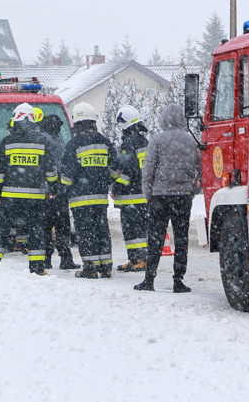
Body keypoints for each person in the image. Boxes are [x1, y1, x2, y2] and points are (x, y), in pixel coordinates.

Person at [0, 103, 58, 275]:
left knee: (1, 230)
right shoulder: (43, 141)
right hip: (35, 197)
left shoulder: (7, 142)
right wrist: (53, 187)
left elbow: (0, 171)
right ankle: (38, 267)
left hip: (10, 196)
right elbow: (50, 170)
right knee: (36, 231)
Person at [134, 104, 200, 293]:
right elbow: (199, 169)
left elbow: (148, 170)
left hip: (160, 196)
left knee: (155, 237)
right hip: (182, 196)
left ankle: (149, 278)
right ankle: (178, 280)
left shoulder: (157, 140)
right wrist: (191, 190)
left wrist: (148, 194)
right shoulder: (190, 140)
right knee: (181, 238)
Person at [60, 102, 128, 279]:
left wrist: (64, 188)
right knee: (101, 231)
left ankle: (90, 267)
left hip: (80, 198)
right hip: (100, 198)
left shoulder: (73, 144)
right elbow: (117, 167)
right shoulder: (104, 142)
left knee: (85, 232)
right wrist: (105, 180)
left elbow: (67, 174)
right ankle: (105, 266)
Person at [113, 105, 151, 272]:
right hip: (145, 194)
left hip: (131, 196)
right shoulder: (145, 142)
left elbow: (127, 169)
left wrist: (117, 186)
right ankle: (142, 258)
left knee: (132, 230)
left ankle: (136, 259)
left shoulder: (128, 144)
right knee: (143, 229)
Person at [40, 114, 78, 270]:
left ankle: (50, 258)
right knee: (59, 225)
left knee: (49, 226)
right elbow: (56, 164)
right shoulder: (52, 140)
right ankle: (62, 257)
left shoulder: (53, 138)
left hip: (50, 189)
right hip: (53, 189)